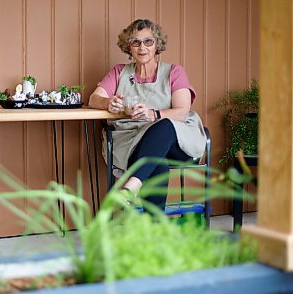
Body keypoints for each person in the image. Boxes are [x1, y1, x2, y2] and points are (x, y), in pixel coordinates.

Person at [88, 19, 206, 210]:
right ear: (129, 47)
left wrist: (152, 114)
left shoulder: (174, 72)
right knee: (156, 161)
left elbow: (182, 112)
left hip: (177, 142)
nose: (142, 47)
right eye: (136, 42)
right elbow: (94, 99)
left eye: (148, 41)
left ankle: (130, 187)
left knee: (163, 125)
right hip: (132, 140)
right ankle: (154, 230)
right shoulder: (119, 72)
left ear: (157, 44)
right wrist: (108, 102)